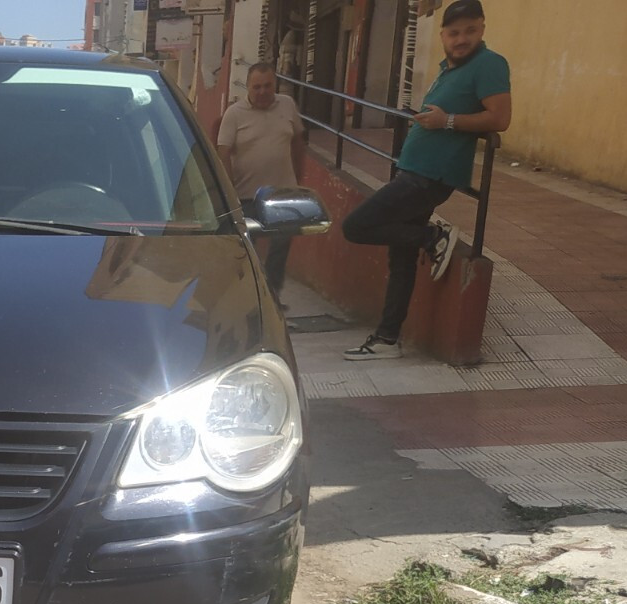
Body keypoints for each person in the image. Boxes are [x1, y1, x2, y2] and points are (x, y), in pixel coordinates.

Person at [341, 0, 511, 360]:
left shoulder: (490, 64)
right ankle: (388, 339)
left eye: (469, 30)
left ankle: (434, 236)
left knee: (356, 226)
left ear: (482, 28)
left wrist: (446, 122)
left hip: (429, 175)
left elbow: (499, 118)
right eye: (454, 32)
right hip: (415, 169)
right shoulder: (448, 68)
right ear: (444, 35)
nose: (461, 38)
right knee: (400, 259)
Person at [218, 61, 307, 303]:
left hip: (282, 194)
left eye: (267, 86)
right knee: (248, 249)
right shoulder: (234, 114)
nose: (262, 92)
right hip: (247, 195)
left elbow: (298, 141)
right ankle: (249, 295)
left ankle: (272, 295)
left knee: (280, 246)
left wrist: (298, 176)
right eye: (256, 87)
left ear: (275, 85)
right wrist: (228, 191)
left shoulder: (287, 105)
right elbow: (223, 152)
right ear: (247, 87)